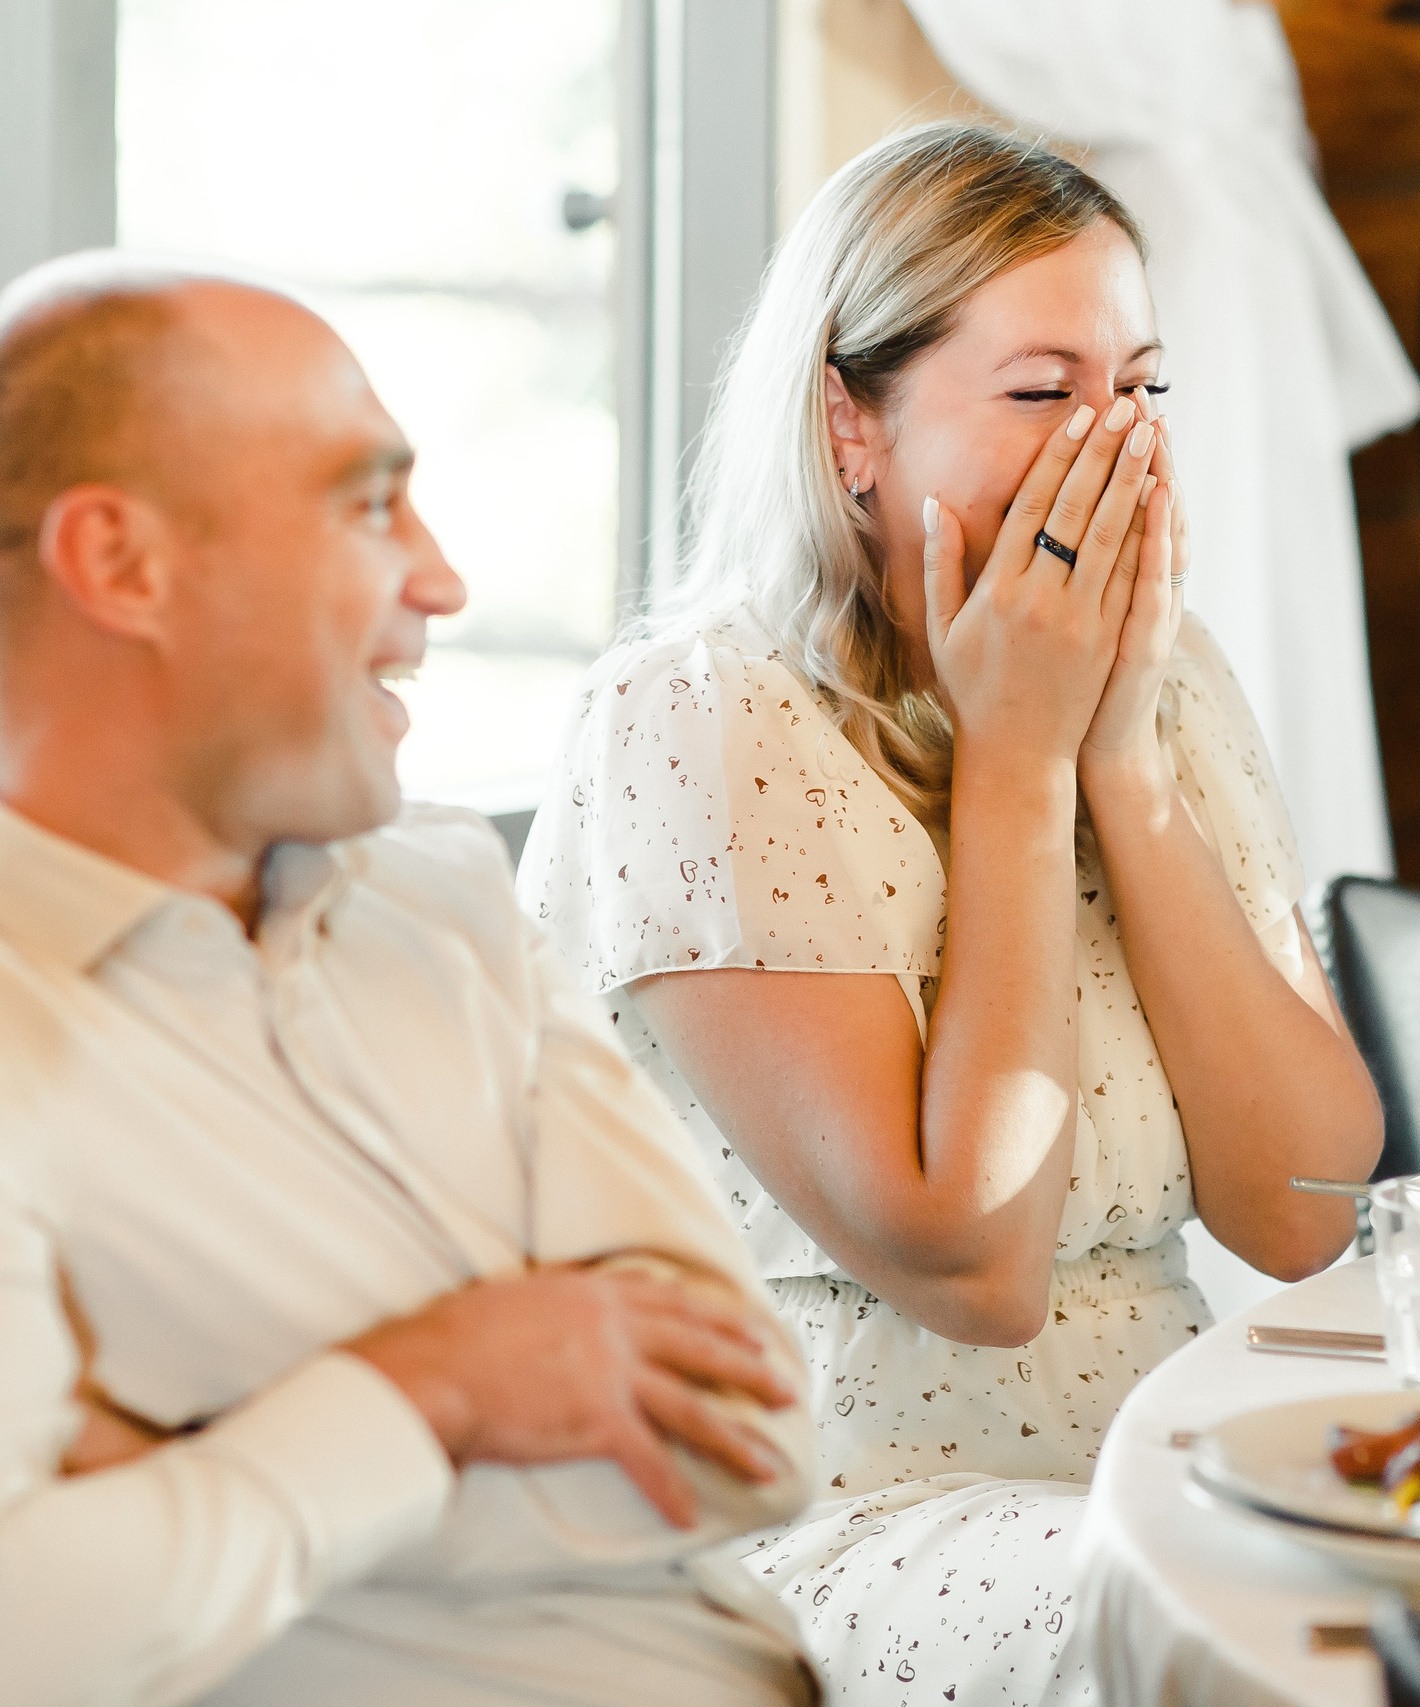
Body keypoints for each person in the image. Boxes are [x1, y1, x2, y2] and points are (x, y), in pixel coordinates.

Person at [519, 123, 1382, 1705]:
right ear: (852, 423)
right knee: (1256, 1627)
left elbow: (1307, 1201)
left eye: (1144, 389)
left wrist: (1120, 751)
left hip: (1162, 1456)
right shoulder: (693, 716)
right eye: (1045, 392)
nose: (1113, 447)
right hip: (815, 1507)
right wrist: (1020, 758)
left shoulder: (1171, 690)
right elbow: (974, 1265)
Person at [0, 254, 819, 1706]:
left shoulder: (442, 896)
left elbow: (762, 1429)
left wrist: (205, 1466)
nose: (442, 576)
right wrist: (428, 1384)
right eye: (369, 502)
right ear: (122, 564)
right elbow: (34, 1631)